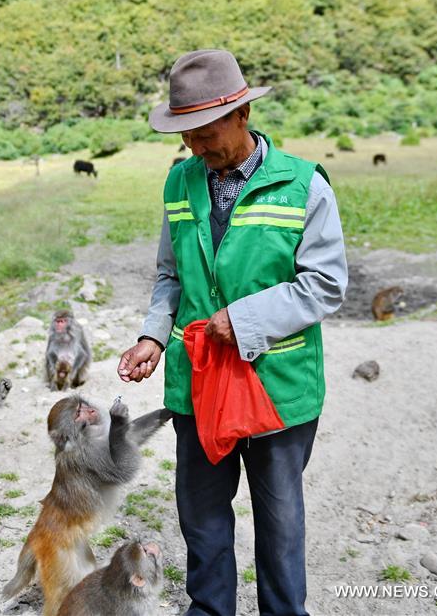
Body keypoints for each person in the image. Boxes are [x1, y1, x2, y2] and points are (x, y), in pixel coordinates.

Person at [117, 49, 347, 616]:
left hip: (277, 387)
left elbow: (326, 284)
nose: (196, 145)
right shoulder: (179, 183)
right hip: (198, 382)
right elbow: (171, 275)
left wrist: (243, 320)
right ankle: (210, 610)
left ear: (241, 114)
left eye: (205, 130)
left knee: (280, 520)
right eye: (185, 134)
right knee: (201, 512)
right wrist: (152, 335)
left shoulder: (303, 186)